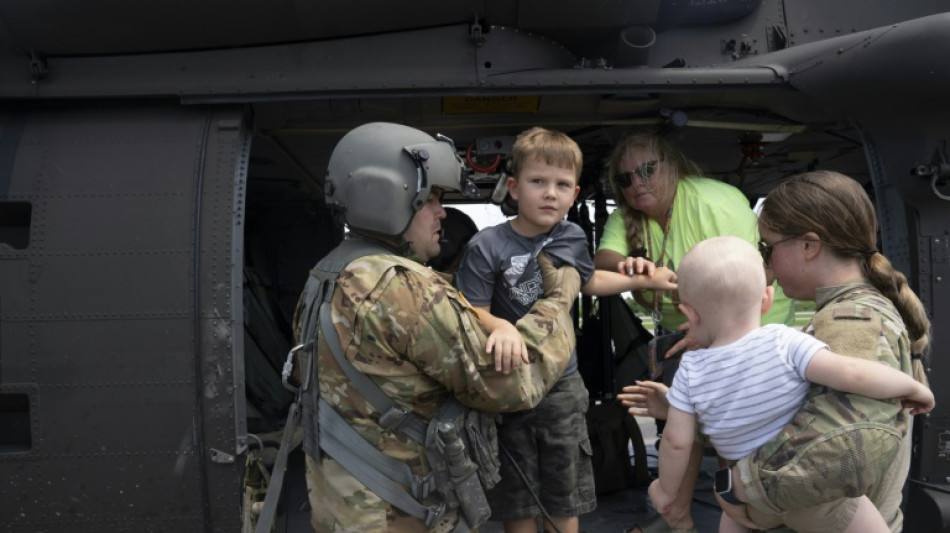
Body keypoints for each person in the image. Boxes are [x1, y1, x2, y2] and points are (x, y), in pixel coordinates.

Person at [292, 122, 586, 533]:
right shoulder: (400, 287)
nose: (442, 212)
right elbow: (514, 384)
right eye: (430, 199)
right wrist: (560, 296)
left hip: (348, 504)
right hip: (396, 511)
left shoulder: (327, 274)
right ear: (391, 198)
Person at [622, 170, 933, 533]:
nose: (765, 264)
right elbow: (789, 418)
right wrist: (697, 414)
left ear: (809, 245)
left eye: (767, 247)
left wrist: (738, 487)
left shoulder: (851, 322)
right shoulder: (825, 323)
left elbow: (843, 448)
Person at [455, 127, 677, 533]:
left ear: (575, 194)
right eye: (537, 182)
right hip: (510, 383)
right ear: (514, 188)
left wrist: (642, 281)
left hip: (561, 380)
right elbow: (471, 309)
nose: (550, 193)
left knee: (565, 483)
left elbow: (589, 282)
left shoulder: (571, 236)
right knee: (518, 486)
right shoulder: (486, 246)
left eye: (561, 185)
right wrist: (500, 326)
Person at [596, 131, 796, 533]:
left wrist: (709, 334)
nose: (637, 184)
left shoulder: (712, 201)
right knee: (679, 425)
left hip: (747, 328)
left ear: (672, 166)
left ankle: (743, 518)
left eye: (647, 170)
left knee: (731, 434)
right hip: (691, 333)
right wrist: (633, 269)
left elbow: (747, 273)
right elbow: (604, 259)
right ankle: (677, 516)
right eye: (625, 179)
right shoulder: (628, 215)